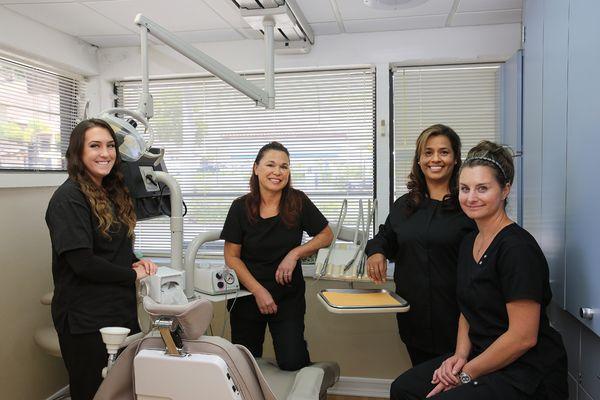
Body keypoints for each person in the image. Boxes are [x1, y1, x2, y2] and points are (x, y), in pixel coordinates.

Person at [390, 141, 568, 400]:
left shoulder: (517, 249)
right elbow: (467, 310)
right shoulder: (469, 242)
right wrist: (459, 357)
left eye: (482, 188)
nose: (471, 198)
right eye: (464, 189)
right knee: (404, 388)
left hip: (525, 369)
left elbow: (523, 338)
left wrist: (466, 374)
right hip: (481, 354)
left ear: (505, 190)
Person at [45, 119, 157, 400]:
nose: (105, 153)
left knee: (119, 390)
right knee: (92, 392)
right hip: (85, 318)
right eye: (94, 146)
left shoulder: (110, 192)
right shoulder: (68, 199)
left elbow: (112, 246)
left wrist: (136, 260)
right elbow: (83, 263)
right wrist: (133, 276)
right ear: (78, 153)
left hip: (116, 308)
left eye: (109, 146)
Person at [365, 124, 476, 366]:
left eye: (444, 152)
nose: (435, 159)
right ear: (419, 159)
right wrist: (376, 251)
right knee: (422, 384)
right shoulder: (405, 205)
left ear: (456, 159)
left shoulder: (468, 205)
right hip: (414, 317)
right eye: (428, 152)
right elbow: (385, 237)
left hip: (459, 321)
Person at [221, 141, 333, 371]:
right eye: (270, 165)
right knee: (244, 365)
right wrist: (259, 291)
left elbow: (326, 235)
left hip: (287, 297)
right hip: (247, 295)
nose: (277, 172)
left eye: (284, 166)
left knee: (293, 361)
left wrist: (295, 253)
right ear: (256, 168)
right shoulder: (239, 207)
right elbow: (232, 257)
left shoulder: (298, 201)